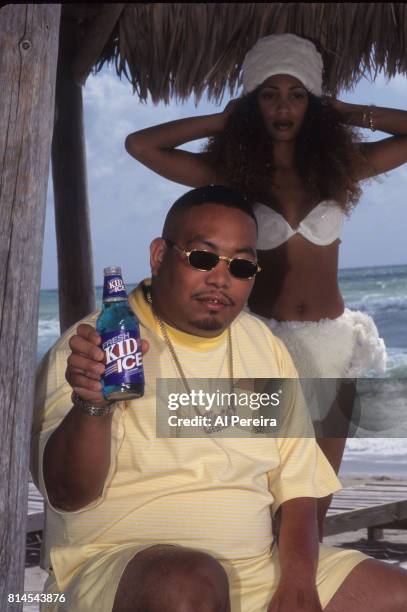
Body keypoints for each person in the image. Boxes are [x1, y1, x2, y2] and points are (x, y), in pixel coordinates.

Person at [31, 186, 407, 612]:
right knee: (193, 583)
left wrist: (298, 583)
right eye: (203, 257)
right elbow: (66, 493)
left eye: (242, 265)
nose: (221, 278)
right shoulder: (96, 346)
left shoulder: (262, 345)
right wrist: (92, 406)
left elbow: (298, 486)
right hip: (122, 574)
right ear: (159, 255)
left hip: (257, 571)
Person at [124, 32, 407, 528]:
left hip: (332, 345)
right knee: (261, 500)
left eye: (297, 95)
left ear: (311, 103)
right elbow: (141, 145)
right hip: (263, 343)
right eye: (269, 94)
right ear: (254, 103)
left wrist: (348, 111)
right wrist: (224, 120)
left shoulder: (339, 171)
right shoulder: (235, 176)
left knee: (316, 503)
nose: (284, 107)